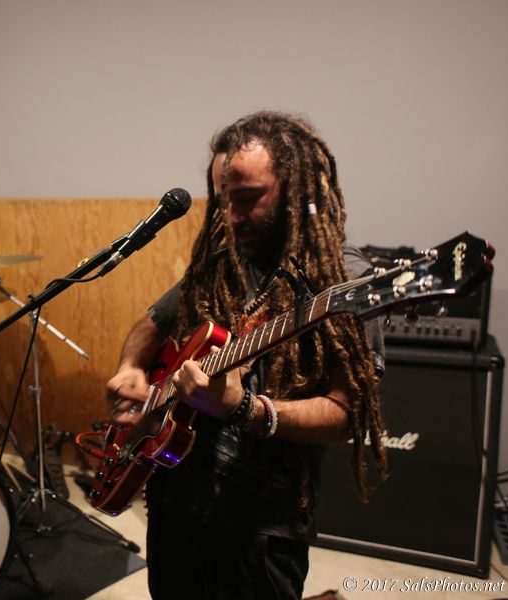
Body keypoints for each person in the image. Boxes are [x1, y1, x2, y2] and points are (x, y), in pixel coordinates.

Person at [106, 112, 388, 599]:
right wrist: (131, 367)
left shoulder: (344, 279)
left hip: (261, 525)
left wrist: (244, 408)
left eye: (248, 198)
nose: (232, 216)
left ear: (297, 189)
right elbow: (154, 322)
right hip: (175, 498)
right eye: (224, 199)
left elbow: (348, 413)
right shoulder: (221, 261)